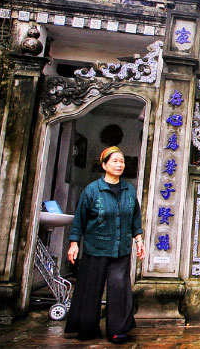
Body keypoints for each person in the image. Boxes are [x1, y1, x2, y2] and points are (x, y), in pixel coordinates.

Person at [64, 146, 145, 343]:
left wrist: (139, 240)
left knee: (119, 288)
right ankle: (87, 327)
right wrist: (74, 243)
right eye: (115, 161)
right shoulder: (92, 190)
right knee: (91, 288)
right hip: (96, 248)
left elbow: (135, 217)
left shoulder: (129, 190)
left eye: (122, 161)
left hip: (121, 249)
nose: (120, 165)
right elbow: (79, 220)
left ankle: (117, 329)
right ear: (104, 164)